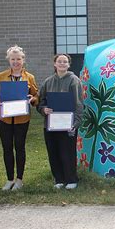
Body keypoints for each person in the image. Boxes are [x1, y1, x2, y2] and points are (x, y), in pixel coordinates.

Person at [0, 45, 39, 191]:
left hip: (21, 119)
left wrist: (32, 99)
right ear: (9, 60)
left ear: (23, 60)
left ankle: (19, 179)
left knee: (20, 148)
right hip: (4, 118)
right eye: (13, 59)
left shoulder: (29, 77)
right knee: (7, 148)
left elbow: (36, 95)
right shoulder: (1, 76)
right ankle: (9, 179)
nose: (16, 62)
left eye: (18, 59)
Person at [37, 54, 83, 190]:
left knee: (67, 151)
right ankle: (59, 179)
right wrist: (43, 109)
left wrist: (76, 123)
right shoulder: (48, 82)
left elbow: (78, 103)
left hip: (68, 123)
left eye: (65, 62)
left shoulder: (74, 81)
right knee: (53, 151)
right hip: (50, 124)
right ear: (54, 64)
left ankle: (71, 179)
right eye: (59, 61)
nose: (62, 64)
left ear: (69, 65)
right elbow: (41, 101)